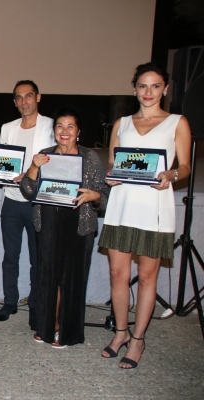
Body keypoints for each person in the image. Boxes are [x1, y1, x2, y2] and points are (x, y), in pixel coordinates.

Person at [99, 62, 191, 368]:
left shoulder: (177, 122)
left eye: (155, 86)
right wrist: (111, 174)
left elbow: (186, 167)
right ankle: (121, 332)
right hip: (122, 206)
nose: (148, 92)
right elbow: (113, 162)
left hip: (154, 208)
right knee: (118, 274)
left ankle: (138, 339)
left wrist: (172, 174)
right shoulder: (122, 123)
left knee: (148, 276)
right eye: (142, 86)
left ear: (165, 89)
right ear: (135, 89)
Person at [20, 107, 109, 348]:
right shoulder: (44, 155)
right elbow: (27, 190)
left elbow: (105, 194)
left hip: (79, 224)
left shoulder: (90, 157)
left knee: (72, 279)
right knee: (48, 277)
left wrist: (94, 196)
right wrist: (34, 167)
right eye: (60, 126)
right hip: (48, 222)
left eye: (70, 126)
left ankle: (67, 331)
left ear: (78, 132)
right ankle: (47, 326)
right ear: (54, 131)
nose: (65, 131)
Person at [0, 80, 56, 325]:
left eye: (28, 96)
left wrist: (31, 175)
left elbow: (56, 163)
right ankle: (9, 302)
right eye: (19, 97)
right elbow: (1, 162)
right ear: (14, 102)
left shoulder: (51, 125)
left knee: (37, 259)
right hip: (11, 201)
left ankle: (35, 304)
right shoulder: (7, 128)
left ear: (38, 97)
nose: (24, 101)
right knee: (10, 256)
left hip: (37, 202)